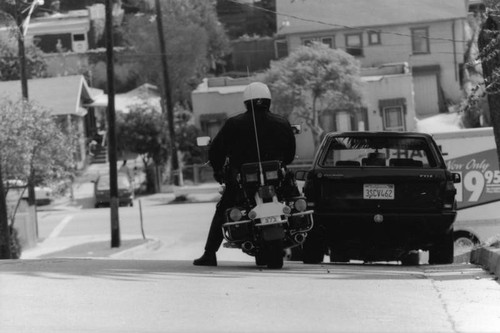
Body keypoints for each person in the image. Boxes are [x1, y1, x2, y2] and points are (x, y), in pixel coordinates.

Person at [193, 82, 296, 266]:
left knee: (222, 210)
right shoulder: (282, 122)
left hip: (242, 181)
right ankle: (299, 229)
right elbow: (290, 154)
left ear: (246, 102)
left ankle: (209, 254)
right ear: (268, 100)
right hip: (277, 179)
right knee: (296, 201)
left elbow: (216, 150)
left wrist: (218, 170)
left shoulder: (234, 124)